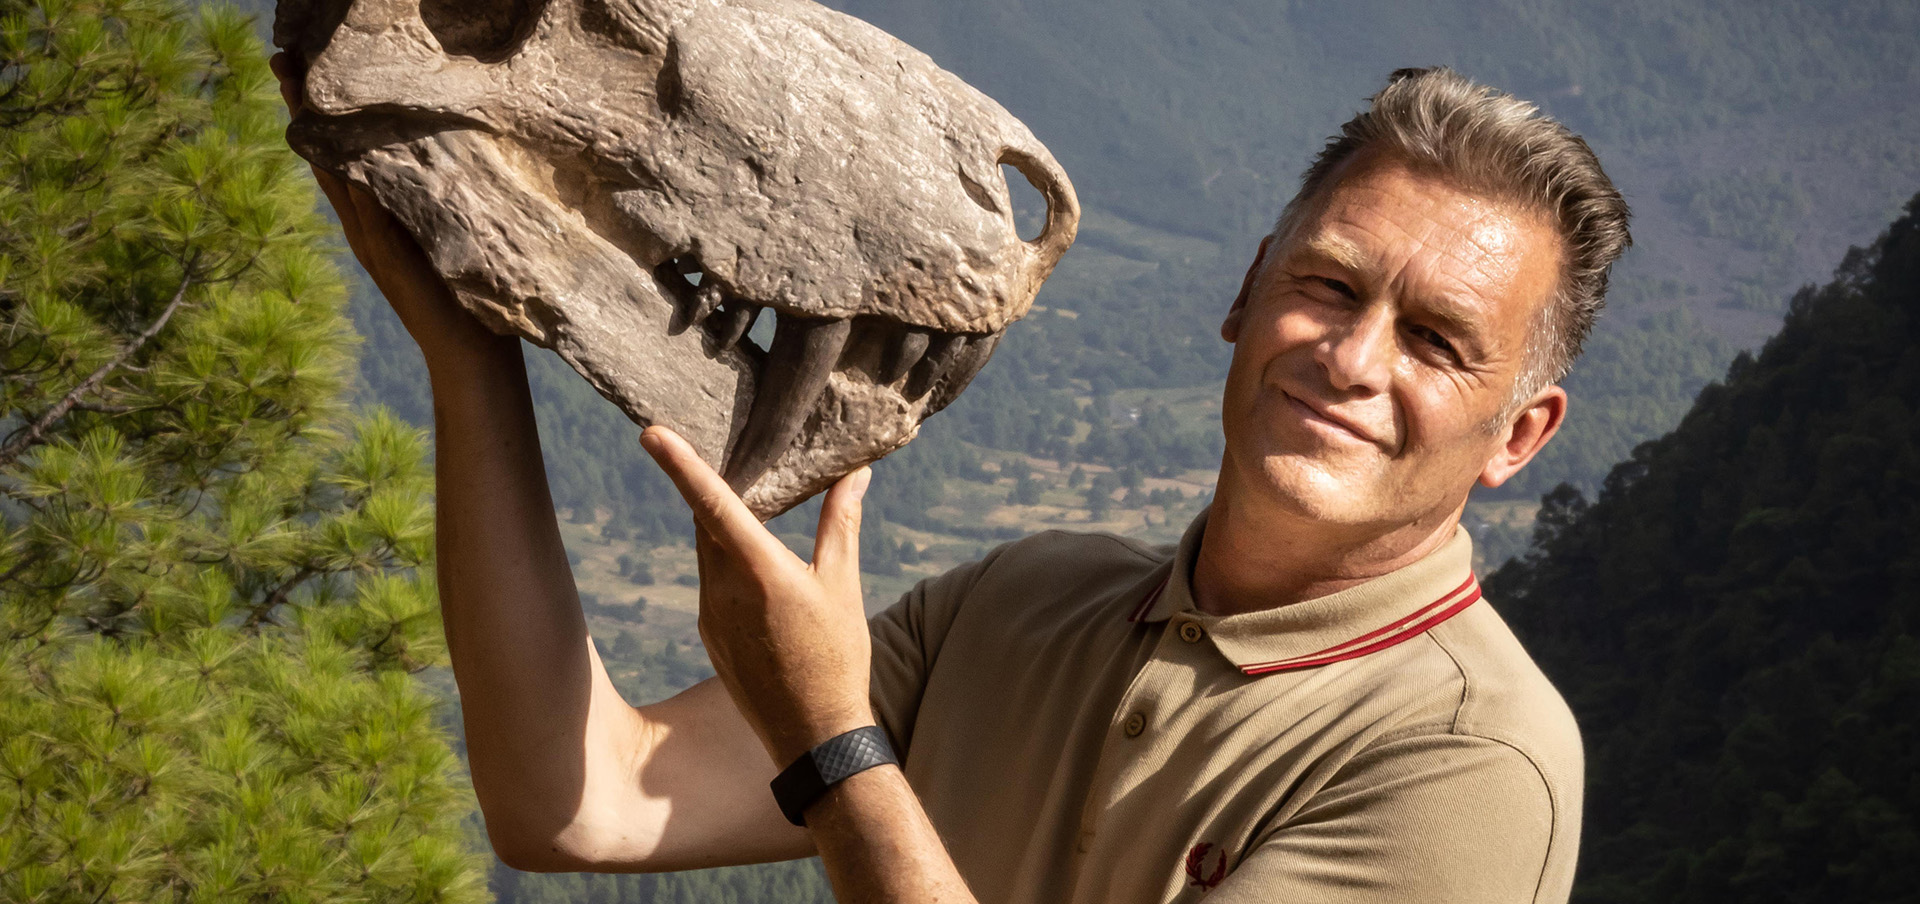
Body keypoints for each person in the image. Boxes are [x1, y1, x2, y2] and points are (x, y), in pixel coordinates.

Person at [277, 58, 1628, 903]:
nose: (1348, 353)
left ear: (1520, 435)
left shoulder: (1471, 762)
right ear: (1244, 297)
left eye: (1439, 341)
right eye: (1325, 285)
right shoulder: (1023, 604)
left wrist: (831, 743)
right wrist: (474, 362)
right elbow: (581, 801)